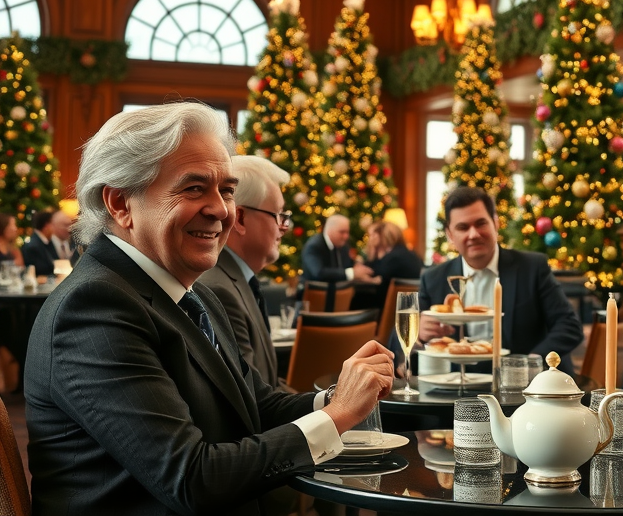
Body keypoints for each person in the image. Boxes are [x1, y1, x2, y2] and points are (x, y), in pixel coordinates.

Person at [24, 103, 395, 515]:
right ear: (120, 203)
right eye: (194, 188)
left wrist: (337, 398)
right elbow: (192, 480)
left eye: (228, 190)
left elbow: (256, 405)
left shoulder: (194, 295)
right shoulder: (93, 308)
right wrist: (340, 414)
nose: (221, 210)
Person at [417, 186, 583, 374]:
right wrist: (418, 335)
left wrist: (533, 362)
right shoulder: (433, 278)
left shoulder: (532, 268)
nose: (473, 234)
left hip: (523, 388)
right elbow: (397, 345)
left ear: (495, 223)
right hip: (456, 388)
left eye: (481, 223)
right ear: (450, 235)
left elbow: (569, 326)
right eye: (463, 227)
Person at [198, 155, 294, 393]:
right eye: (279, 215)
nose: (284, 227)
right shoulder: (218, 289)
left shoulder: (238, 279)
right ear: (240, 218)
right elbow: (254, 397)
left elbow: (268, 385)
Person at [352, 220, 423, 310]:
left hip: (384, 310)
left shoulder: (393, 258)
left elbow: (372, 273)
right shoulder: (411, 254)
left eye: (373, 235)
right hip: (406, 309)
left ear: (383, 236)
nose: (370, 239)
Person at [300, 214, 373, 283]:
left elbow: (347, 265)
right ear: (330, 231)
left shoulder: (343, 245)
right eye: (342, 232)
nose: (346, 236)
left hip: (339, 291)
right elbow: (319, 273)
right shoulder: (314, 246)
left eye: (347, 232)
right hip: (315, 293)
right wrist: (352, 273)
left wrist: (357, 266)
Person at [21, 209, 58, 277]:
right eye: (53, 224)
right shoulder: (32, 246)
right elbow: (38, 273)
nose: (55, 227)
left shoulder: (47, 242)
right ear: (47, 226)